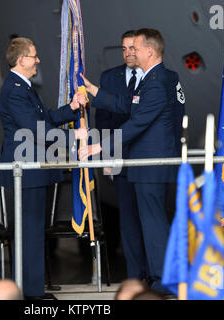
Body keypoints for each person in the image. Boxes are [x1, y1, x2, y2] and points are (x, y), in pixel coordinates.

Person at [80, 28, 185, 295]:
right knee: (150, 222)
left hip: (150, 164)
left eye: (135, 48)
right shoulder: (155, 79)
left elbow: (138, 121)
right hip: (147, 165)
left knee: (154, 224)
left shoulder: (157, 82)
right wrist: (95, 91)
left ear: (149, 51)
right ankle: (157, 276)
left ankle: (163, 280)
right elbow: (129, 104)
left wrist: (101, 145)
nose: (131, 53)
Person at [0, 36, 87, 300]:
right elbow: (35, 131)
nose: (38, 60)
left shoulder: (22, 86)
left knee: (34, 232)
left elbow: (44, 118)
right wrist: (75, 138)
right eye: (34, 56)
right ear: (22, 60)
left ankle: (31, 291)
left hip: (34, 171)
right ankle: (28, 295)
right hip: (26, 173)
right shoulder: (15, 90)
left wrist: (70, 109)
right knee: (29, 233)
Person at [95, 30, 150, 278]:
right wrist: (107, 156)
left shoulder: (154, 76)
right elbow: (103, 121)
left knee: (151, 219)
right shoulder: (110, 77)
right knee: (128, 220)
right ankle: (135, 276)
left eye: (132, 48)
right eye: (124, 48)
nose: (128, 53)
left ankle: (155, 273)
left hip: (149, 158)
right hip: (121, 160)